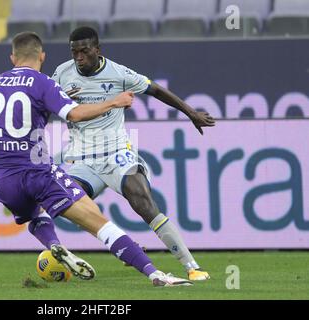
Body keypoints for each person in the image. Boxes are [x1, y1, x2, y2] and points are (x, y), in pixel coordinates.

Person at [0, 31, 192, 287]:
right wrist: (113, 102)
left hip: (4, 181)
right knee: (100, 224)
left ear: (12, 57)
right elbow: (75, 115)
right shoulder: (42, 83)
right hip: (38, 171)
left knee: (37, 214)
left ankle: (54, 246)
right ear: (42, 56)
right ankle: (156, 274)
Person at [52, 27, 216, 281]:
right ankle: (127, 247)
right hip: (83, 160)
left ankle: (191, 266)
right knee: (68, 205)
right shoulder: (62, 73)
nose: (79, 57)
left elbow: (156, 90)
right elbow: (45, 103)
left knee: (142, 200)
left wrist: (191, 113)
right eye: (74, 52)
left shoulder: (119, 73)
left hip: (117, 154)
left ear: (97, 49)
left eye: (84, 51)